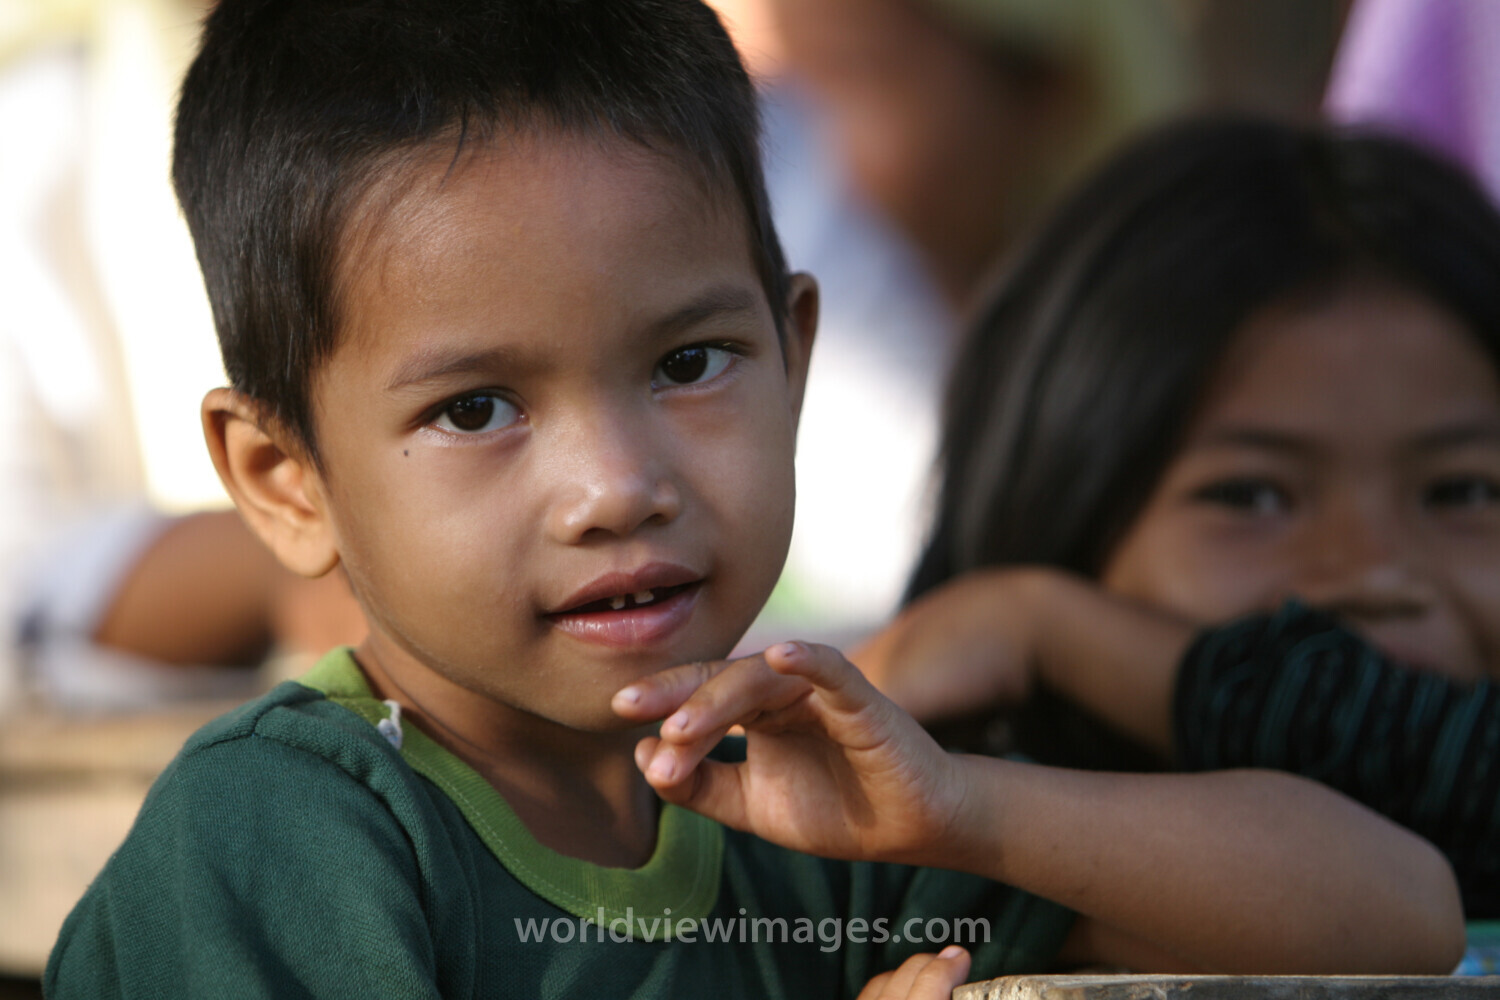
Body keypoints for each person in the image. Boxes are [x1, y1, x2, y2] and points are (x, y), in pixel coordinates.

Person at [47, 7, 1461, 997]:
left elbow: (1398, 917)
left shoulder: (805, 807)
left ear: (794, 355)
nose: (618, 487)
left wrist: (964, 808)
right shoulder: (287, 832)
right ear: (285, 480)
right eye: (476, 408)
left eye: (689, 364)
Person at [855, 115, 1500, 918]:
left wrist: (1047, 626)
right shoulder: (930, 905)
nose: (1375, 570)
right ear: (1056, 521)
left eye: (1464, 492)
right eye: (1251, 496)